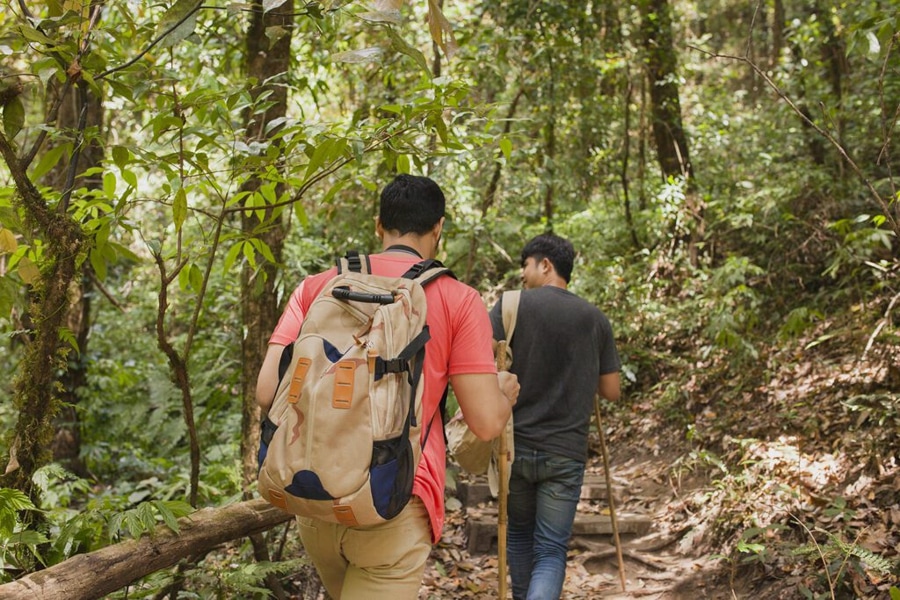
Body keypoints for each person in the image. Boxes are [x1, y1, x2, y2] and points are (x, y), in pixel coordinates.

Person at [256, 174, 519, 600]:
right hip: (393, 499)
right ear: (438, 228)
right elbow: (486, 424)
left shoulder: (316, 287)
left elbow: (268, 392)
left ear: (379, 225)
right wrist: (503, 393)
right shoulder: (458, 299)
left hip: (316, 495)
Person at [489, 233, 621, 600]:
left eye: (525, 266)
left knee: (518, 535)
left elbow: (480, 365)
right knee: (550, 549)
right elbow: (611, 390)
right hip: (565, 452)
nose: (522, 275)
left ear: (545, 264)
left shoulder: (510, 306)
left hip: (514, 447)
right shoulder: (594, 319)